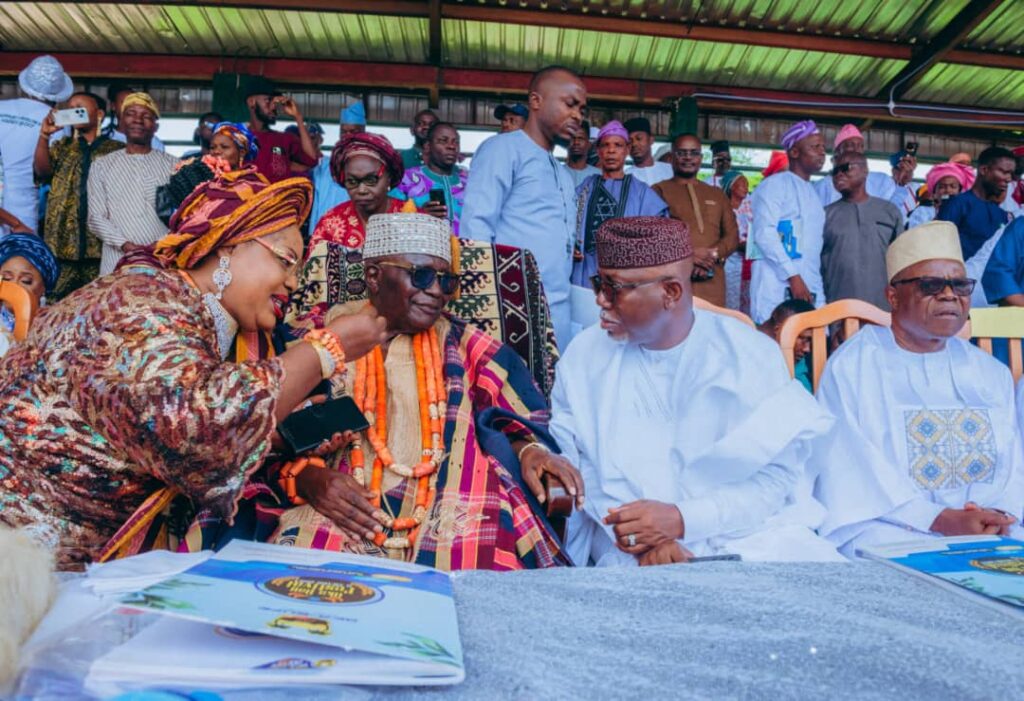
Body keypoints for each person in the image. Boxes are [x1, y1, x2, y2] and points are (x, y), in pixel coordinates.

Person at [0, 172, 389, 569]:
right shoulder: (144, 303)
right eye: (285, 260)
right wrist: (326, 349)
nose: (292, 282)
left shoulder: (181, 307)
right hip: (22, 551)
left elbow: (155, 426)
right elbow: (195, 426)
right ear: (229, 247)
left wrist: (270, 438)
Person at [269, 212, 583, 569]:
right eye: (421, 276)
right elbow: (257, 438)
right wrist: (306, 478)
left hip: (454, 502)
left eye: (446, 281)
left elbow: (520, 419)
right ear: (374, 276)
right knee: (303, 575)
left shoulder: (470, 346)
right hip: (341, 508)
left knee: (483, 566)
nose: (436, 291)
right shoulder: (311, 340)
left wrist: (531, 450)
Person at [551, 217, 840, 566]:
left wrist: (683, 520)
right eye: (599, 283)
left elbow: (775, 479)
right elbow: (576, 464)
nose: (600, 300)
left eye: (614, 288)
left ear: (671, 293)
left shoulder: (749, 355)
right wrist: (640, 538)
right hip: (625, 546)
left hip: (745, 536)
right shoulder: (584, 356)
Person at [813, 221, 1023, 558]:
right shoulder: (855, 366)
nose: (950, 295)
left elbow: (1014, 462)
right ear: (893, 297)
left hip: (987, 524)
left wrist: (997, 513)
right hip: (891, 525)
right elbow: (848, 466)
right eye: (931, 285)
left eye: (960, 285)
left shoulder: (989, 372)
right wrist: (937, 519)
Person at [460, 65, 586, 348]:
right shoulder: (502, 149)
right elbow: (476, 228)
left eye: (581, 109)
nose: (578, 115)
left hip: (559, 309)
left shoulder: (562, 173)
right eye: (570, 104)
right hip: (510, 307)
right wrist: (483, 307)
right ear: (536, 101)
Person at [289, 132, 410, 332]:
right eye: (352, 182)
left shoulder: (411, 218)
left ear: (388, 176)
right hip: (340, 327)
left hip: (402, 324)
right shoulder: (330, 223)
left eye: (371, 180)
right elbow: (313, 285)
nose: (361, 190)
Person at [34, 91, 123, 298]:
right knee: (57, 301)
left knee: (99, 301)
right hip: (62, 243)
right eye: (71, 108)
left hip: (100, 246)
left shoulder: (116, 150)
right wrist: (44, 135)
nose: (73, 111)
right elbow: (42, 172)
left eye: (79, 108)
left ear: (99, 114)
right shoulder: (62, 147)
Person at [86, 92, 178, 276]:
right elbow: (95, 218)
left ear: (156, 126)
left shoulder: (174, 166)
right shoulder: (102, 165)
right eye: (131, 114)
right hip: (116, 259)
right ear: (121, 121)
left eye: (146, 116)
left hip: (162, 257)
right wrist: (125, 245)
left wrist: (160, 244)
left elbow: (184, 216)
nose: (138, 120)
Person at [570, 120, 668, 289]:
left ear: (627, 149)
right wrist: (571, 245)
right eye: (605, 145)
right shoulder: (585, 187)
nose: (611, 150)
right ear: (598, 150)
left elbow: (660, 233)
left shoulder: (641, 192)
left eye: (618, 145)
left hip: (625, 276)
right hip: (585, 272)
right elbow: (565, 220)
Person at [748, 119, 827, 323]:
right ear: (794, 152)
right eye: (815, 147)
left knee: (812, 338)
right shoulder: (773, 185)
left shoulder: (814, 193)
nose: (822, 152)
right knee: (775, 336)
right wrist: (793, 276)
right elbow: (764, 233)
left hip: (808, 285)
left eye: (823, 147)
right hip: (775, 285)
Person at [653, 133, 739, 306]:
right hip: (674, 279)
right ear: (672, 157)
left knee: (712, 321)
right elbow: (652, 235)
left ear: (701, 158)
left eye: (694, 153)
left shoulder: (717, 194)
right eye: (682, 153)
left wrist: (712, 255)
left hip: (712, 279)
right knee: (674, 321)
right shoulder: (658, 191)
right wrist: (688, 255)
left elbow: (732, 236)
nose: (688, 158)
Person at [0, 55, 73, 237]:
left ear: (25, 86)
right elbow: (46, 173)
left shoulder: (1, 108)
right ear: (59, 94)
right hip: (22, 215)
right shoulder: (57, 121)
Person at [821, 152, 902, 310]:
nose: (839, 174)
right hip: (838, 310)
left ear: (865, 171)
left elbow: (901, 262)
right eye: (834, 171)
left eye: (845, 168)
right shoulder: (824, 215)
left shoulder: (889, 211)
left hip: (883, 309)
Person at [156, 122, 261, 226]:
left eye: (224, 147)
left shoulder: (253, 183)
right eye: (212, 147)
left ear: (242, 152)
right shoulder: (199, 176)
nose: (216, 151)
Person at [938, 146, 1015, 260]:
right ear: (984, 170)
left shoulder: (1002, 215)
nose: (1008, 179)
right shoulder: (956, 205)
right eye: (1004, 172)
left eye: (1011, 174)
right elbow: (939, 247)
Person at [813, 124, 910, 215]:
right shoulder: (823, 187)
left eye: (861, 146)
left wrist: (901, 185)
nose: (857, 150)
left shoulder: (881, 181)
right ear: (837, 153)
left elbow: (892, 213)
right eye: (850, 145)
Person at [397, 122, 469, 235]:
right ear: (427, 147)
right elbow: (389, 217)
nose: (452, 146)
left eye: (456, 142)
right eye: (443, 141)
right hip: (420, 244)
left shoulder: (469, 182)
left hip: (466, 245)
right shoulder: (407, 179)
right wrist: (419, 215)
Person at [245, 77, 319, 183]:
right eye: (268, 101)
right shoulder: (238, 137)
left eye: (275, 103)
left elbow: (312, 159)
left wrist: (298, 117)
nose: (273, 107)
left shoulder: (284, 139)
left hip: (279, 194)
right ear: (251, 102)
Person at [309, 102, 368, 233]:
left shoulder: (370, 166)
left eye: (353, 131)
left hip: (354, 234)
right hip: (323, 234)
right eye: (343, 132)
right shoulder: (324, 166)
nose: (347, 136)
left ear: (363, 133)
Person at [0, 233, 59, 356]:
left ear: (43, 288)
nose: (14, 285)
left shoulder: (55, 325)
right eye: (6, 278)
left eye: (26, 281)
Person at [757, 298, 815, 392]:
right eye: (802, 338)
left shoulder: (797, 365)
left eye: (810, 341)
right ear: (778, 330)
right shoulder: (740, 335)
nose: (807, 349)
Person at [907, 161, 975, 229]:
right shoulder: (922, 212)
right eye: (942, 187)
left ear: (960, 192)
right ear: (934, 193)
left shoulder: (968, 213)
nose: (948, 190)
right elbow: (915, 234)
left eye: (953, 186)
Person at [721, 170, 753, 313]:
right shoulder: (723, 209)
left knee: (748, 301)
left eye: (747, 185)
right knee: (731, 300)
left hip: (749, 260)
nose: (746, 188)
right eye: (743, 185)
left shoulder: (749, 206)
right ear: (732, 186)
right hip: (730, 262)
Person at [103, 83, 167, 152]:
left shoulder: (155, 142)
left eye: (132, 103)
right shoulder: (102, 138)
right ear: (113, 106)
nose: (127, 106)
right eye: (124, 102)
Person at [623, 117, 672, 187]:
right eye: (629, 141)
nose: (634, 144)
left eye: (639, 138)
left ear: (651, 140)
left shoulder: (670, 171)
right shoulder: (625, 178)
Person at [564, 120, 600, 189]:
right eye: (572, 138)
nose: (576, 142)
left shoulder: (598, 175)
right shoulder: (557, 173)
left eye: (580, 138)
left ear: (588, 144)